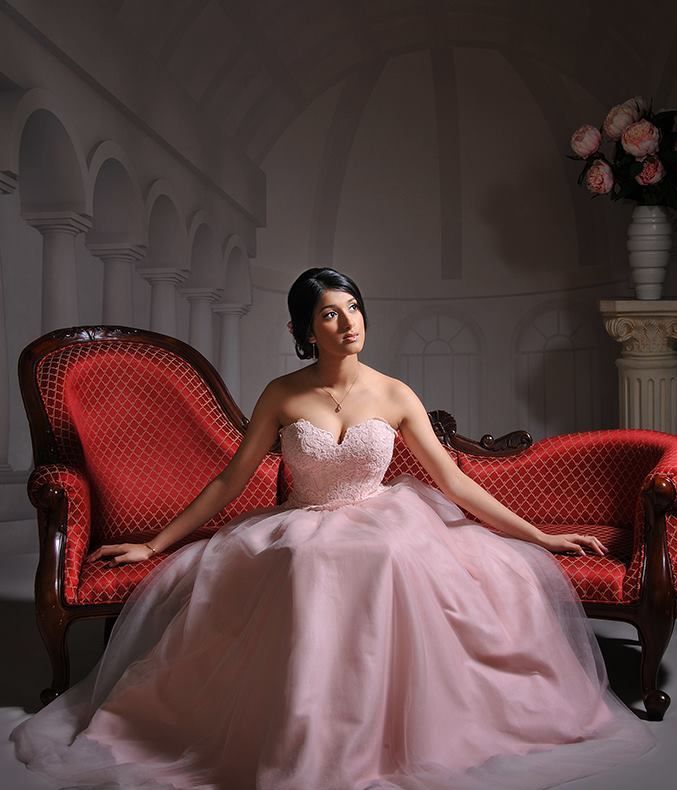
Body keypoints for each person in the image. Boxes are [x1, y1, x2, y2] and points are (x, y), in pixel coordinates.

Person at [10, 267, 653, 790]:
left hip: (387, 523)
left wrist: (537, 536)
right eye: (330, 314)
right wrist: (155, 543)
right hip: (301, 528)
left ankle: (386, 733)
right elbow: (229, 482)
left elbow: (453, 483)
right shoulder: (282, 394)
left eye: (354, 307)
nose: (350, 323)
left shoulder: (396, 393)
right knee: (304, 564)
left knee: (390, 560)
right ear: (303, 329)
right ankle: (300, 733)